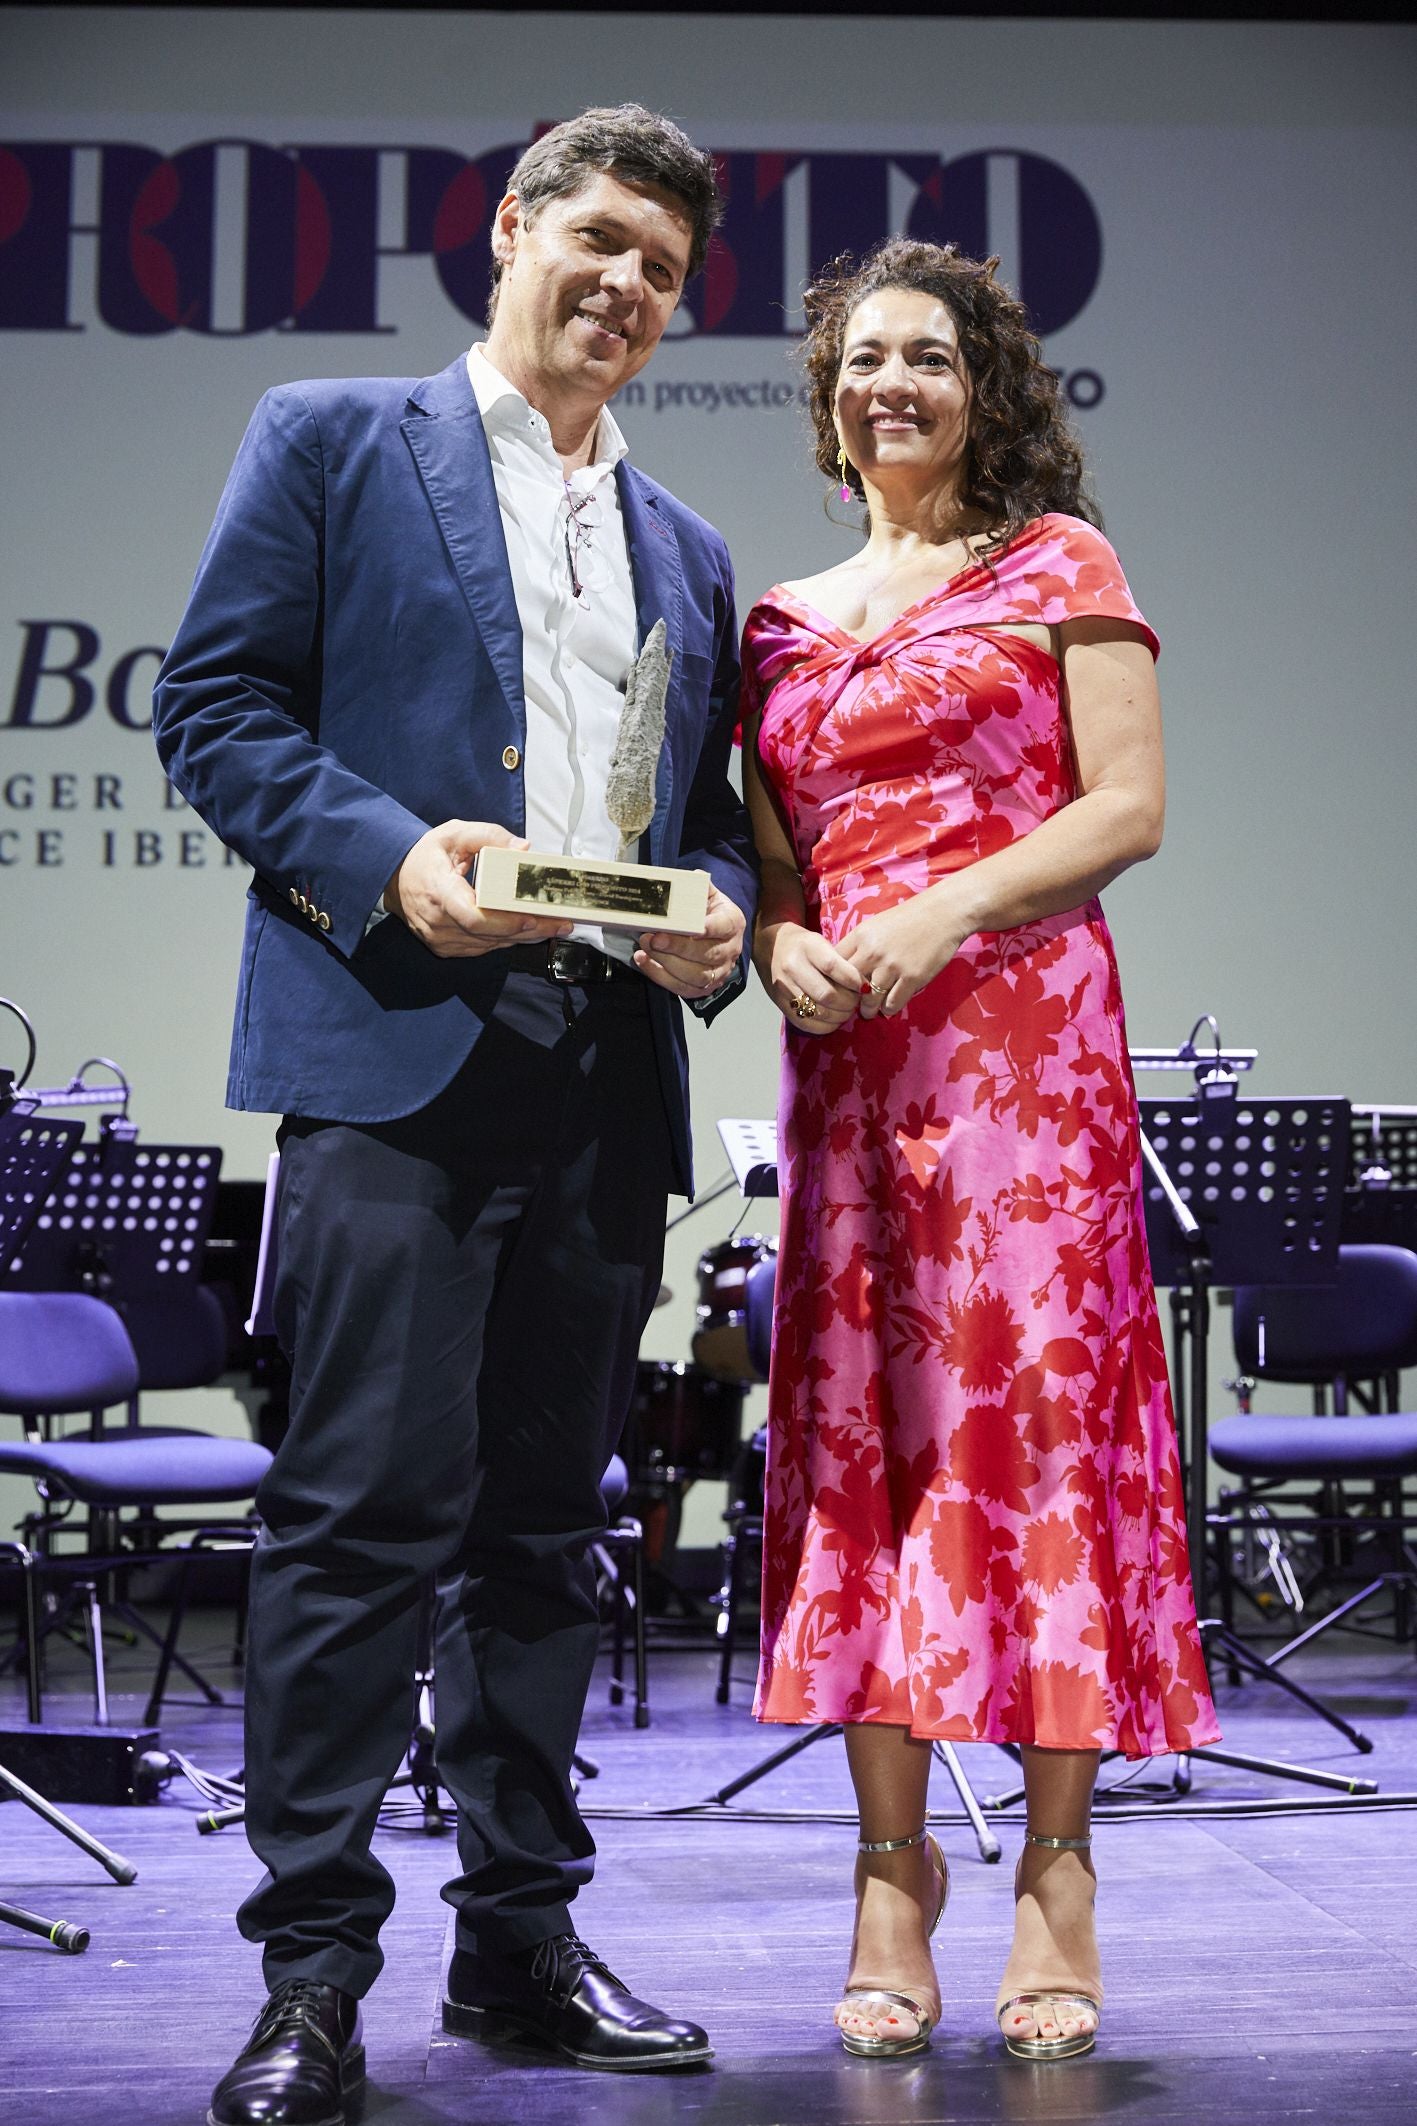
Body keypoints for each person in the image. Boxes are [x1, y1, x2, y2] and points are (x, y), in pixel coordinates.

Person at [152, 105, 756, 2126]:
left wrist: (721, 929)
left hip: (598, 1088)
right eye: (593, 238)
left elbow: (712, 838)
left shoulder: (685, 546)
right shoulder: (331, 434)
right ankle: (312, 1974)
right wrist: (394, 859)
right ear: (505, 229)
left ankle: (518, 1943)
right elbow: (215, 708)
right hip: (396, 1062)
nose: (624, 285)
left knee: (541, 1541)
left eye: (661, 269)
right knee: (351, 1531)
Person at [739, 237, 1219, 2064]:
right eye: (863, 359)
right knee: (870, 1443)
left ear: (982, 386)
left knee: (1029, 1438)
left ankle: (1054, 1866)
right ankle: (887, 1865)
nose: (891, 386)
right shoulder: (776, 616)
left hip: (1022, 1066)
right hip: (849, 1071)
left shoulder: (1055, 564)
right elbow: (779, 852)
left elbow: (1127, 804)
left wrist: (942, 912)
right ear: (827, 395)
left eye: (927, 358)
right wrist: (783, 934)